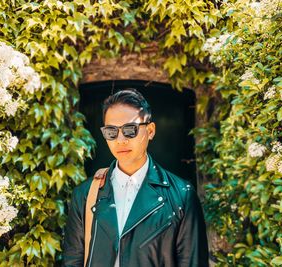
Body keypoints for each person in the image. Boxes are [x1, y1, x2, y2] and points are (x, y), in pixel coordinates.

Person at [62, 88, 209, 267]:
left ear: (151, 130)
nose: (120, 140)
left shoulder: (182, 196)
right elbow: (72, 262)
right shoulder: (85, 195)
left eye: (130, 130)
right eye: (111, 131)